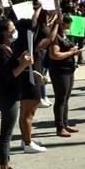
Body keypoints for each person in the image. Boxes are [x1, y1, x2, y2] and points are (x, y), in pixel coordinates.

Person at [0, 18, 29, 169]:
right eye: (12, 28)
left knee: (8, 134)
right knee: (6, 135)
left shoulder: (7, 48)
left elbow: (12, 66)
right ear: (5, 32)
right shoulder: (1, 50)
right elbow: (10, 74)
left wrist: (21, 59)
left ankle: (7, 166)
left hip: (11, 94)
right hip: (7, 96)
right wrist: (24, 64)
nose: (14, 30)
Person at [14, 18, 51, 152]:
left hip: (26, 79)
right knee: (28, 113)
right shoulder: (28, 44)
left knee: (24, 113)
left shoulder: (19, 43)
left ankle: (25, 139)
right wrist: (56, 24)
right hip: (30, 80)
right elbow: (49, 38)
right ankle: (28, 143)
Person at [48, 14, 80, 137]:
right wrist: (70, 52)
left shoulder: (64, 36)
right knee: (60, 98)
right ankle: (59, 126)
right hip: (59, 71)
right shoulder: (55, 37)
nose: (69, 26)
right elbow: (54, 55)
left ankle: (65, 123)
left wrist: (74, 52)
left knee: (66, 97)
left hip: (69, 69)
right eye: (68, 24)